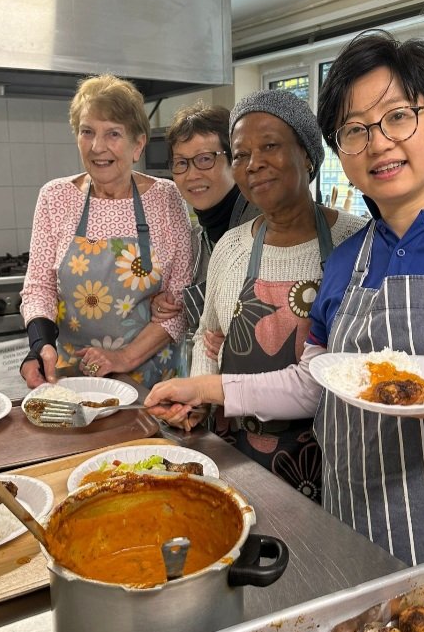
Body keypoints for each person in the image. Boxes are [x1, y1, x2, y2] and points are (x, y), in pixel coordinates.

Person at [146, 30, 424, 566]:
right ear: (340, 151)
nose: (379, 143)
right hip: (356, 532)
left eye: (398, 117)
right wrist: (199, 387)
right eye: (355, 130)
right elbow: (311, 385)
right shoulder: (344, 262)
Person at [150, 89, 367, 502]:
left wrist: (206, 387)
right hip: (240, 455)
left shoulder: (356, 242)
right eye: (240, 154)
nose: (254, 164)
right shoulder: (231, 248)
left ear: (307, 155)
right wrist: (197, 397)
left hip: (332, 462)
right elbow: (207, 338)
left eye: (269, 146)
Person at [19, 74, 193, 390]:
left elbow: (180, 300)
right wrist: (40, 343)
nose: (98, 147)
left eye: (113, 133)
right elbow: (38, 287)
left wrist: (124, 357)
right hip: (76, 376)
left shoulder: (166, 198)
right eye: (87, 132)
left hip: (154, 380)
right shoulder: (56, 197)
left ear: (138, 144)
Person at [150, 101, 260, 373]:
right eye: (181, 163)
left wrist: (243, 342)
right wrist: (168, 304)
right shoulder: (198, 240)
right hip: (215, 390)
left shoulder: (262, 228)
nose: (192, 175)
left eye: (205, 159)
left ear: (234, 159)